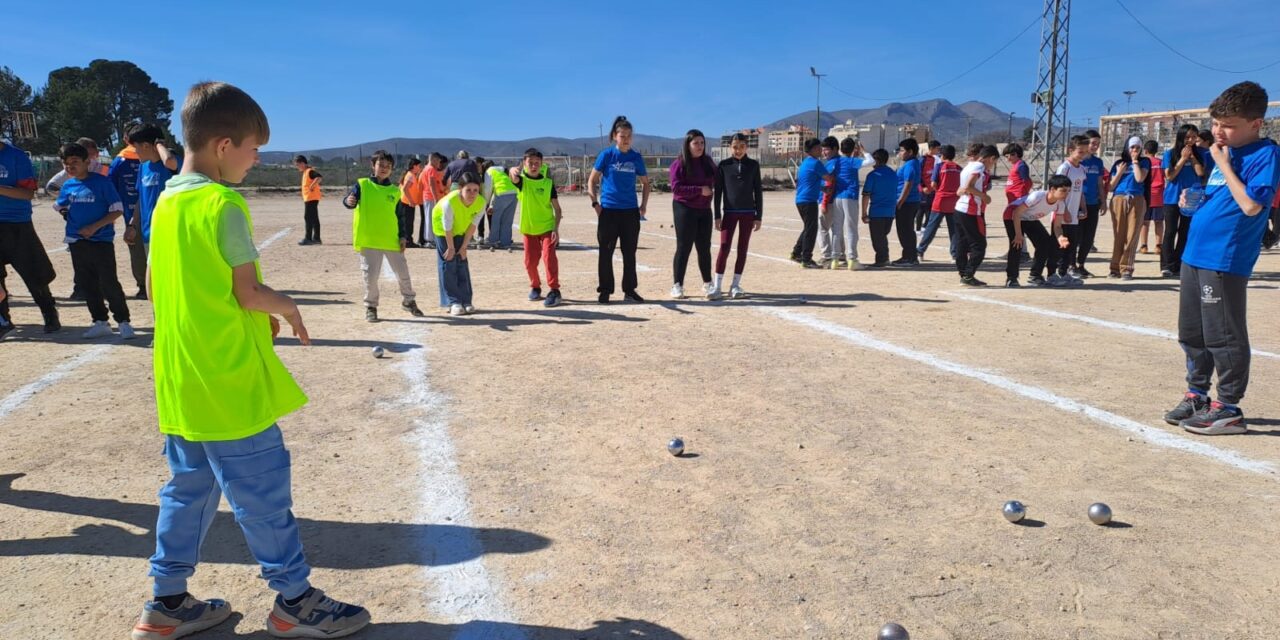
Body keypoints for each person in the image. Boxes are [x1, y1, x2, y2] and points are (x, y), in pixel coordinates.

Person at [135, 81, 370, 640]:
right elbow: (245, 292)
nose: (257, 158)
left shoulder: (167, 199)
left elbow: (156, 285)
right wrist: (285, 308)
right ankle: (295, 600)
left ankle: (167, 602)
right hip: (228, 378)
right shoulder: (223, 203)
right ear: (222, 145)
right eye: (252, 148)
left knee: (187, 488)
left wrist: (246, 310)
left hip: (181, 375)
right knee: (262, 491)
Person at [1163, 81, 1279, 436]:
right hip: (1195, 254)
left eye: (1228, 125)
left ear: (1256, 123)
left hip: (1224, 259)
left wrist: (1224, 165)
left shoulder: (1265, 154)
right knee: (1192, 332)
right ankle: (1197, 394)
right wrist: (1193, 199)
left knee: (1223, 333)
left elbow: (1251, 204)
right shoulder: (1221, 152)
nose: (1218, 131)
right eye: (1215, 123)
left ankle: (1228, 406)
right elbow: (1221, 197)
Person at [53, 142, 135, 339]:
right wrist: (66, 213)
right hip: (77, 242)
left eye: (74, 162)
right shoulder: (69, 185)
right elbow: (59, 205)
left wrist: (94, 227)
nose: (70, 167)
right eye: (66, 163)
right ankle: (99, 321)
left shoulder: (102, 183)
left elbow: (117, 209)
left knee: (109, 283)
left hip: (100, 241)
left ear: (87, 161)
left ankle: (123, 322)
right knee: (87, 283)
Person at [342, 150, 425, 322]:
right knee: (370, 276)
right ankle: (371, 306)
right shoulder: (362, 185)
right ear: (373, 166)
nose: (384, 168)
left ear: (392, 169)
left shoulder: (395, 191)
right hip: (369, 239)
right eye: (381, 165)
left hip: (391, 239)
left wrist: (403, 237)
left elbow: (400, 217)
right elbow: (350, 199)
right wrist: (348, 201)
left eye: (388, 166)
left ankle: (409, 301)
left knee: (403, 273)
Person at [0, 139, 60, 333]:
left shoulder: (17, 157)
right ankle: (3, 320)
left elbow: (27, 194)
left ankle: (49, 312)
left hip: (16, 223)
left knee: (34, 272)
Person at [588, 116, 650, 303]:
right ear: (615, 136)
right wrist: (595, 204)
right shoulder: (606, 155)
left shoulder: (636, 157)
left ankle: (629, 290)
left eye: (629, 136)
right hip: (608, 211)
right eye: (622, 135)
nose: (626, 139)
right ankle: (605, 289)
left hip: (630, 211)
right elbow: (592, 180)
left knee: (629, 252)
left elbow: (646, 184)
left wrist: (643, 206)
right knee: (606, 252)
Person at [127, 123, 182, 294]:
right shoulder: (143, 167)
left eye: (136, 148)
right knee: (156, 286)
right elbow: (140, 199)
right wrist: (132, 224)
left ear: (146, 145)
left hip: (169, 232)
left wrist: (159, 145)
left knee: (172, 282)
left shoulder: (171, 161)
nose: (135, 152)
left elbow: (171, 163)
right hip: (148, 233)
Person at [508, 148, 563, 307]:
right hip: (529, 229)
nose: (533, 166)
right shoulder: (522, 181)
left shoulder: (548, 183)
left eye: (537, 163)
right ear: (524, 164)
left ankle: (554, 290)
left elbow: (557, 209)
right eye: (530, 163)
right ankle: (535, 286)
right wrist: (512, 170)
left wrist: (555, 229)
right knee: (530, 262)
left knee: (549, 258)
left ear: (541, 164)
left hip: (547, 228)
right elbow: (514, 177)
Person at [669, 129, 718, 299]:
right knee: (684, 247)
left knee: (704, 248)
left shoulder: (708, 162)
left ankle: (707, 284)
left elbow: (718, 179)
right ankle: (677, 285)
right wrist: (699, 190)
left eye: (702, 143)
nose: (699, 146)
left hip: (704, 210)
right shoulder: (679, 164)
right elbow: (676, 188)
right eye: (695, 143)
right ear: (688, 145)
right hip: (684, 209)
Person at [712, 132, 764, 297]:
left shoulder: (754, 165)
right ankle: (717, 286)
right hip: (729, 213)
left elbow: (758, 191)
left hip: (748, 213)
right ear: (729, 148)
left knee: (743, 249)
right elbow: (718, 192)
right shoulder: (723, 165)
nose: (738, 150)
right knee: (724, 247)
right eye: (735, 147)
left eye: (742, 147)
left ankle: (735, 285)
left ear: (746, 147)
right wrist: (717, 216)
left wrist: (758, 216)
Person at [1003, 175, 1073, 287]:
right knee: (1017, 245)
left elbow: (1057, 226)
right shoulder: (1038, 196)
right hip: (1012, 215)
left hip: (1030, 219)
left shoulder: (1060, 204)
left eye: (1068, 191)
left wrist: (1060, 238)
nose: (1066, 194)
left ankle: (1035, 276)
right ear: (1052, 189)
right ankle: (1012, 278)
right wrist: (1018, 234)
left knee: (1045, 244)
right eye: (1063, 190)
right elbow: (1017, 213)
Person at [432, 172, 485, 316]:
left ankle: (466, 300)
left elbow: (473, 226)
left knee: (461, 260)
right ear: (460, 188)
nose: (472, 194)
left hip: (462, 227)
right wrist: (450, 247)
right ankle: (453, 302)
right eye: (468, 190)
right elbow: (447, 227)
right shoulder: (450, 202)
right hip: (443, 229)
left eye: (475, 190)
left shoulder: (481, 202)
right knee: (449, 261)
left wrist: (463, 247)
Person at [1160, 124, 1211, 277]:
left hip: (1192, 199)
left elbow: (1200, 173)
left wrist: (1193, 157)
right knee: (1170, 231)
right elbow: (1169, 176)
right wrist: (1182, 159)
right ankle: (1166, 265)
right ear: (1181, 137)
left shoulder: (1200, 153)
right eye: (1187, 137)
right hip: (1172, 198)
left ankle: (1178, 263)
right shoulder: (1170, 153)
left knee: (1185, 232)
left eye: (1194, 137)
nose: (1190, 140)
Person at [953, 144, 998, 286]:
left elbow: (961, 189)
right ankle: (968, 274)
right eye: (994, 161)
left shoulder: (968, 166)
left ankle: (964, 273)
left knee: (962, 242)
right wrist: (984, 196)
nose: (993, 165)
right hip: (970, 210)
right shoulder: (979, 167)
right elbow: (967, 186)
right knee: (979, 245)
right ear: (991, 158)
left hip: (960, 208)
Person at [1108, 136, 1151, 280]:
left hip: (1136, 198)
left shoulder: (1144, 162)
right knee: (1119, 234)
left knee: (1132, 234)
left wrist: (1135, 162)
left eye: (1138, 148)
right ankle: (1114, 268)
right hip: (1119, 198)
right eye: (1132, 147)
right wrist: (1120, 171)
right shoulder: (1119, 163)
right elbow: (1111, 186)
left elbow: (1139, 179)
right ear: (1127, 147)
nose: (1134, 150)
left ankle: (1126, 268)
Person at [109, 140, 146, 297]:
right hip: (136, 214)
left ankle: (143, 285)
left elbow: (111, 185)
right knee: (139, 249)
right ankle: (145, 285)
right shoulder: (152, 159)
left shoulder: (120, 160)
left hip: (131, 214)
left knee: (137, 251)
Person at [831, 137, 871, 270]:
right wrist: (863, 151)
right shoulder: (853, 161)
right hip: (850, 197)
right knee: (851, 228)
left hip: (837, 196)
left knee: (837, 229)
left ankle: (835, 259)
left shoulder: (836, 161)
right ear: (853, 149)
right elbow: (871, 161)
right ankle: (852, 259)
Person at [1053, 135, 1089, 283]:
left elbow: (1079, 191)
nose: (1083, 155)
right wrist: (1065, 210)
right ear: (1071, 150)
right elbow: (1057, 191)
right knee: (1061, 244)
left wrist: (1083, 208)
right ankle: (1056, 273)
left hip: (1074, 214)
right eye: (1080, 151)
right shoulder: (1065, 167)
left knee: (1072, 245)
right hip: (1062, 213)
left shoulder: (1081, 169)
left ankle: (1065, 272)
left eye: (1085, 152)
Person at [791, 138, 830, 269]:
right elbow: (828, 178)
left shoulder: (805, 163)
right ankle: (806, 258)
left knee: (808, 227)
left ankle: (796, 252)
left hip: (801, 199)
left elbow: (809, 181)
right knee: (811, 230)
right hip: (808, 201)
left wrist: (821, 188)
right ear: (813, 150)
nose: (821, 150)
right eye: (819, 148)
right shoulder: (815, 163)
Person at [917, 144, 960, 260]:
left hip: (940, 200)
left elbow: (933, 184)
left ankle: (920, 251)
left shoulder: (940, 166)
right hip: (954, 202)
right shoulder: (958, 168)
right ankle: (955, 255)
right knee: (954, 230)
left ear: (942, 155)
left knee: (931, 227)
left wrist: (939, 190)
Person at [1076, 130, 1107, 276]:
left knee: (1088, 237)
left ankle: (1081, 264)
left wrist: (1103, 201)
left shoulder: (1098, 162)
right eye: (1093, 143)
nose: (1095, 146)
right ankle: (1070, 265)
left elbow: (1100, 183)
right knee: (1076, 236)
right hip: (1077, 204)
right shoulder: (1078, 161)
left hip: (1093, 203)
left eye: (1098, 144)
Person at [861, 149, 897, 267]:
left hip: (877, 211)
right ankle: (884, 257)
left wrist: (863, 213)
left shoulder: (872, 175)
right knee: (883, 236)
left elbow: (866, 195)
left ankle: (882, 259)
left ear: (876, 160)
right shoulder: (893, 173)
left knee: (877, 238)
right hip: (890, 212)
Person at [890, 139, 922, 266]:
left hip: (907, 202)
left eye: (902, 150)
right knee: (905, 229)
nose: (900, 153)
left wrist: (900, 201)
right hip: (908, 201)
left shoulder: (911, 165)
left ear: (910, 152)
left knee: (905, 230)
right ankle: (908, 255)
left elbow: (908, 185)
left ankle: (910, 257)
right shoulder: (909, 163)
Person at [816, 137, 841, 266]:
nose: (824, 152)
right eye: (823, 149)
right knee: (836, 228)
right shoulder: (841, 161)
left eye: (826, 149)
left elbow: (829, 183)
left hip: (829, 201)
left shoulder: (832, 164)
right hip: (837, 201)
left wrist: (824, 203)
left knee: (823, 228)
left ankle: (826, 255)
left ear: (835, 149)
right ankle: (841, 254)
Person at [484, 160, 519, 249]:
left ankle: (493, 241)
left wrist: (486, 203)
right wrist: (492, 204)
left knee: (496, 219)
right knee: (507, 220)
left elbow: (488, 190)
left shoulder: (489, 171)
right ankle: (505, 242)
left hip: (501, 195)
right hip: (514, 193)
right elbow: (495, 191)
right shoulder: (502, 170)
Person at [1139, 139, 1165, 255]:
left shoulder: (1144, 163)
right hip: (1159, 194)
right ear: (1156, 150)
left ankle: (1144, 246)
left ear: (1145, 151)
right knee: (1159, 221)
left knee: (1144, 222)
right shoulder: (1161, 163)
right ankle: (1158, 246)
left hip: (1146, 195)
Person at [417, 153, 446, 248]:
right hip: (431, 197)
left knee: (429, 218)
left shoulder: (426, 168)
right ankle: (430, 240)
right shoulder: (431, 169)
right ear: (433, 159)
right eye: (438, 161)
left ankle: (430, 239)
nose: (439, 163)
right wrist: (436, 198)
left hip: (428, 197)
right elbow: (431, 184)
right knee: (430, 218)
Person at [294, 155, 323, 245]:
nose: (297, 167)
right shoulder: (306, 172)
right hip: (310, 198)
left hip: (311, 198)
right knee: (314, 218)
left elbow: (319, 177)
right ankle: (316, 238)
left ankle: (308, 238)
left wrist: (312, 186)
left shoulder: (309, 171)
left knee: (308, 217)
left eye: (297, 164)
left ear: (302, 163)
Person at [397, 158, 423, 248]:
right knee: (408, 222)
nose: (420, 167)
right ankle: (408, 241)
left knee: (406, 222)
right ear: (414, 166)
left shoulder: (409, 174)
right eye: (419, 166)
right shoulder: (410, 175)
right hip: (407, 203)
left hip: (405, 202)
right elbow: (405, 189)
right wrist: (411, 200)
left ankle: (407, 240)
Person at [916, 139, 940, 230]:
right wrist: (923, 187)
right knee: (921, 209)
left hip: (931, 189)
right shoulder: (922, 159)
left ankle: (925, 227)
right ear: (932, 148)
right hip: (923, 189)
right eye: (937, 149)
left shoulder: (934, 159)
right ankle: (918, 229)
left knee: (930, 209)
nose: (938, 151)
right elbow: (918, 174)